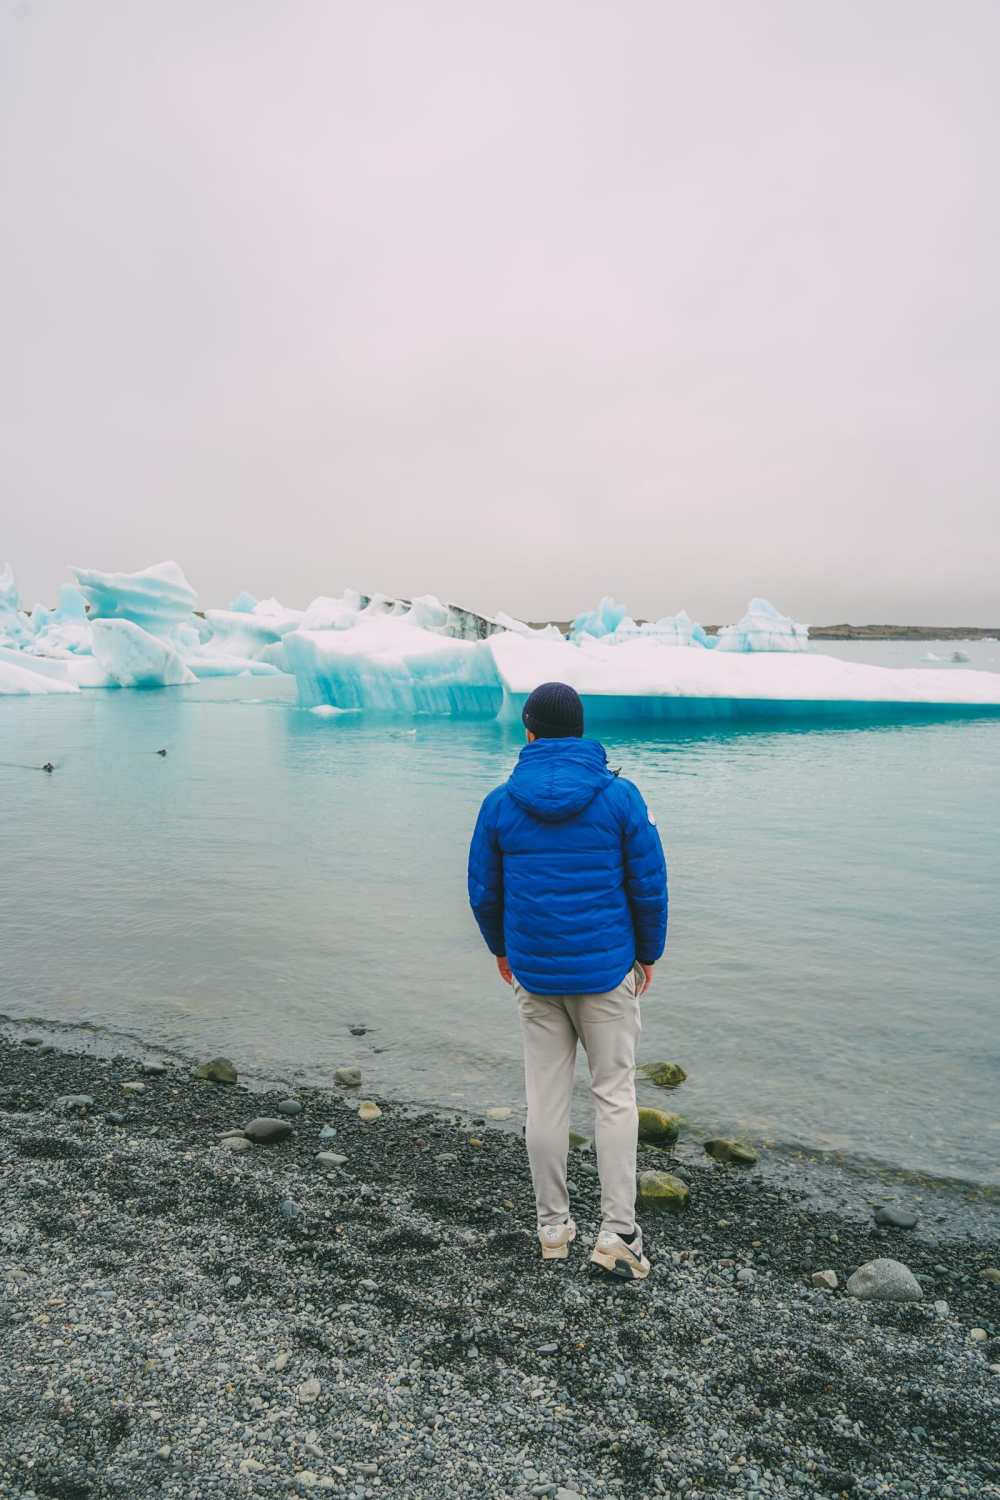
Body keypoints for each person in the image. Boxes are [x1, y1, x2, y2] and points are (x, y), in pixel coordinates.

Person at [468, 681, 668, 1279]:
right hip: (607, 973)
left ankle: (553, 1227)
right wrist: (648, 953)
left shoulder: (501, 802)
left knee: (546, 1098)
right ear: (580, 731)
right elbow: (649, 885)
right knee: (614, 1096)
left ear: (528, 732)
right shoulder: (621, 798)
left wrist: (503, 951)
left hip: (535, 973)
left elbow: (484, 893)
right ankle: (619, 1234)